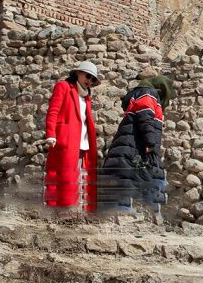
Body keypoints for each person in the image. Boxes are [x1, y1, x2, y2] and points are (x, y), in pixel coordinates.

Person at [99, 73, 175, 213]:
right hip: (136, 146)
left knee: (126, 176)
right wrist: (150, 143)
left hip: (131, 145)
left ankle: (122, 215)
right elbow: (145, 118)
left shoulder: (141, 94)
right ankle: (122, 216)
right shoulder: (148, 93)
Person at [44, 61, 100, 212]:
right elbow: (53, 111)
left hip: (83, 141)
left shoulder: (86, 97)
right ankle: (59, 210)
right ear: (77, 73)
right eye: (87, 76)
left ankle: (79, 211)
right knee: (63, 176)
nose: (89, 80)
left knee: (81, 177)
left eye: (93, 79)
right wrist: (51, 133)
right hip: (66, 139)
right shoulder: (63, 86)